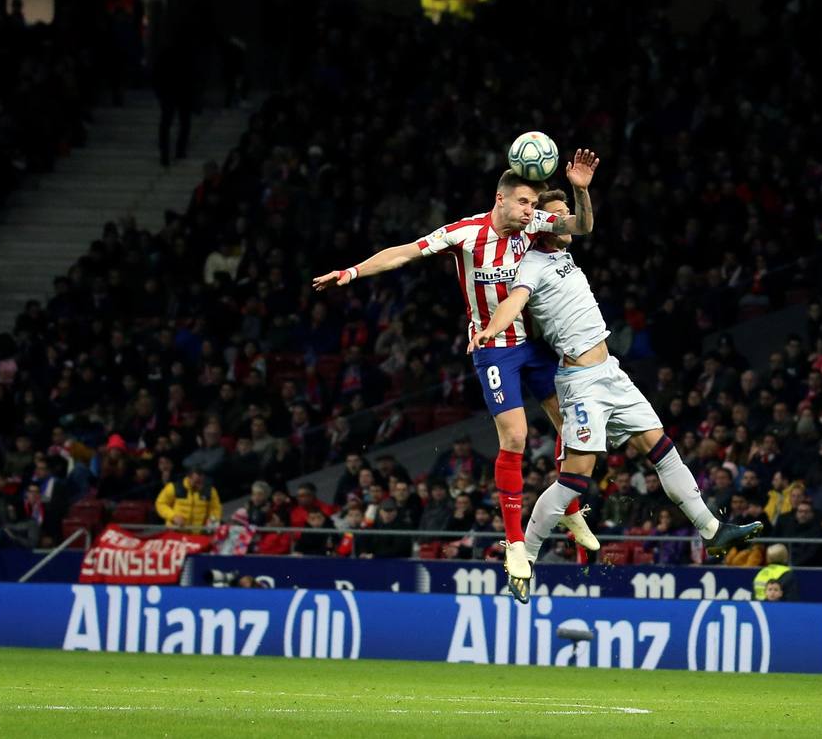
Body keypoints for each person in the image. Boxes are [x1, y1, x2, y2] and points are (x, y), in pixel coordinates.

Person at [314, 153, 601, 589]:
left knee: (571, 425)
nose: (531, 212)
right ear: (499, 199)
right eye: (523, 203)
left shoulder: (535, 226)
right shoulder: (465, 234)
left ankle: (571, 511)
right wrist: (353, 271)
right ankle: (515, 543)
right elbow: (406, 253)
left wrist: (580, 189)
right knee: (516, 437)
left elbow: (581, 227)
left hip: (535, 343)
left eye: (534, 205)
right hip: (494, 350)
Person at [471, 189, 762, 602]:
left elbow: (585, 224)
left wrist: (582, 190)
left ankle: (712, 529)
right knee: (574, 481)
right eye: (557, 215)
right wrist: (492, 330)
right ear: (541, 225)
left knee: (661, 447)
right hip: (581, 383)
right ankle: (525, 556)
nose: (565, 219)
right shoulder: (531, 265)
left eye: (565, 212)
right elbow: (514, 302)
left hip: (611, 372)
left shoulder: (563, 255)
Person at [154, 465, 222, 532]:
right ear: (188, 478)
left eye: (201, 482)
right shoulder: (174, 488)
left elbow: (215, 508)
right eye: (196, 482)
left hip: (198, 533)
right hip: (175, 531)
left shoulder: (210, 491)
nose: (199, 485)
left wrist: (213, 520)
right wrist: (173, 516)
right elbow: (160, 504)